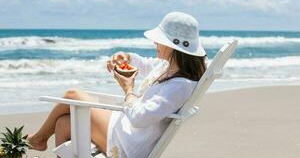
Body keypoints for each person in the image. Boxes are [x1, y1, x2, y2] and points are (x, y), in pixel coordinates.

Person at [28, 11, 208, 158]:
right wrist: (126, 57)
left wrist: (128, 89)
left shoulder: (179, 85)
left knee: (72, 95)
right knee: (63, 124)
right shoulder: (168, 68)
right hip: (124, 130)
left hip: (128, 144)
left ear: (172, 46)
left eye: (159, 40)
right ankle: (39, 139)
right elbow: (144, 64)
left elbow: (139, 118)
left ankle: (38, 139)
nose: (155, 42)